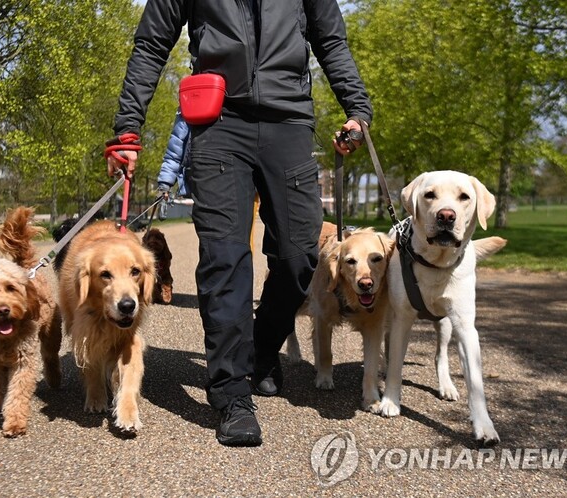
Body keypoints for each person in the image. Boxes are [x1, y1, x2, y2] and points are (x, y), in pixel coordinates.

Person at [105, 0, 372, 447]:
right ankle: (231, 393)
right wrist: (128, 129)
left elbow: (330, 39)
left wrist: (357, 110)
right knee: (224, 257)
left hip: (289, 119)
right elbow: (152, 42)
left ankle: (262, 348)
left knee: (300, 256)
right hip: (217, 121)